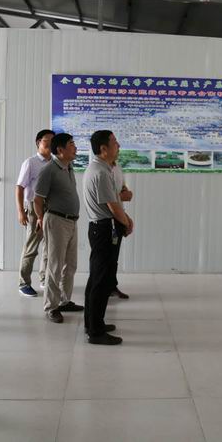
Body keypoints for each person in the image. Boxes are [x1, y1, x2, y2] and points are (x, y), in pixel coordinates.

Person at [83, 130, 133, 345]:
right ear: (103, 148)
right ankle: (96, 332)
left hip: (102, 227)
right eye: (114, 142)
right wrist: (126, 222)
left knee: (98, 278)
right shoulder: (101, 172)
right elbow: (113, 206)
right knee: (101, 280)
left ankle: (94, 324)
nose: (118, 145)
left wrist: (126, 219)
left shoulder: (102, 168)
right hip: (104, 229)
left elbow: (116, 201)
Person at [34, 133, 84, 323]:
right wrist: (40, 219)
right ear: (60, 150)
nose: (75, 147)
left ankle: (64, 301)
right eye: (71, 144)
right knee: (55, 265)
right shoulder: (49, 170)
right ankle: (51, 307)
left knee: (70, 264)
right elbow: (37, 199)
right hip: (56, 221)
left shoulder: (68, 167)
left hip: (71, 221)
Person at [15, 129, 54, 297]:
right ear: (38, 142)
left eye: (53, 140)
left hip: (52, 207)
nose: (50, 143)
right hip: (33, 207)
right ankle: (24, 283)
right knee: (31, 246)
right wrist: (20, 212)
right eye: (46, 140)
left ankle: (44, 279)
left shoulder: (55, 163)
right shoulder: (30, 163)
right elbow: (19, 187)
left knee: (49, 246)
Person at [110, 158, 132, 299]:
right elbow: (107, 198)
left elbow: (122, 188)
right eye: (116, 146)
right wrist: (125, 221)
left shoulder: (117, 166)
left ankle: (111, 286)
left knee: (114, 256)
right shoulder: (100, 170)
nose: (118, 148)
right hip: (107, 220)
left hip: (118, 216)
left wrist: (125, 192)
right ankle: (101, 290)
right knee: (104, 258)